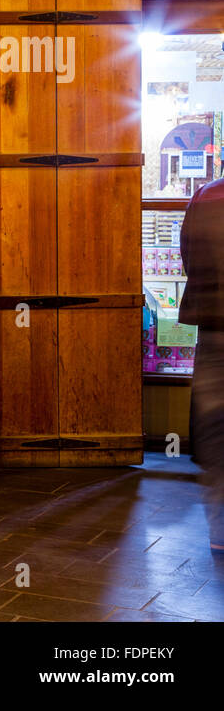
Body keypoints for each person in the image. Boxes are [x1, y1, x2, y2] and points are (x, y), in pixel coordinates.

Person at [179, 176, 224, 553]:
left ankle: (220, 530)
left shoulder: (207, 195)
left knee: (214, 426)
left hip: (214, 327)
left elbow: (187, 256)